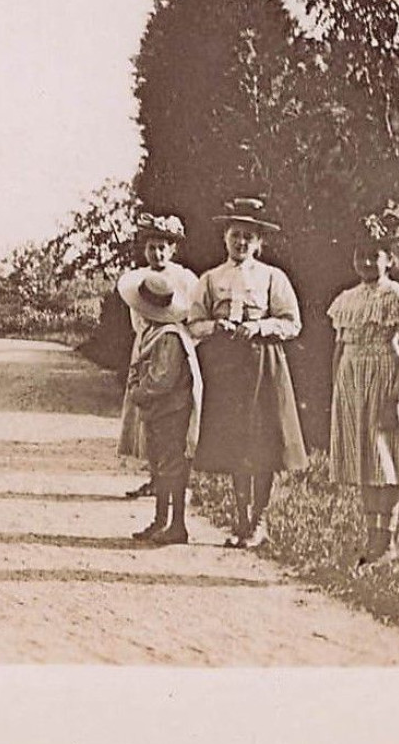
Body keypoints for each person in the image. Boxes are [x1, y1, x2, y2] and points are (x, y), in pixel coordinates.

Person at [327, 202, 399, 568]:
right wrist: (338, 389)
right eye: (360, 257)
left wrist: (395, 396)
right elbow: (340, 346)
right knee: (364, 461)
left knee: (386, 459)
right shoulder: (347, 299)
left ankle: (388, 541)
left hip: (386, 379)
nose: (366, 263)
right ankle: (370, 539)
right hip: (353, 380)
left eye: (373, 257)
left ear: (389, 260)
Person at [188, 197, 308, 549]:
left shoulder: (273, 277)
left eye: (248, 237)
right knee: (235, 440)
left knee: (263, 440)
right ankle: (240, 518)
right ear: (225, 238)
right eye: (235, 235)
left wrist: (261, 327)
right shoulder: (211, 279)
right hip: (226, 367)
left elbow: (292, 323)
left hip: (264, 363)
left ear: (259, 243)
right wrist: (216, 326)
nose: (241, 243)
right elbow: (194, 323)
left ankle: (260, 519)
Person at [117, 214, 199, 498]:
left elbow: (195, 314)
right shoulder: (139, 280)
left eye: (163, 247)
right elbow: (136, 317)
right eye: (152, 247)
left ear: (173, 249)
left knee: (172, 416)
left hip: (176, 344)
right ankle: (155, 477)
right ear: (144, 250)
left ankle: (175, 481)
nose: (158, 253)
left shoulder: (185, 278)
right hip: (146, 343)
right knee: (147, 416)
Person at [120, 267, 203, 545]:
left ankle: (177, 524)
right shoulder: (153, 331)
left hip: (170, 409)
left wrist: (138, 393)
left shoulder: (168, 335)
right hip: (159, 409)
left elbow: (162, 378)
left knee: (171, 465)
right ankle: (160, 520)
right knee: (159, 465)